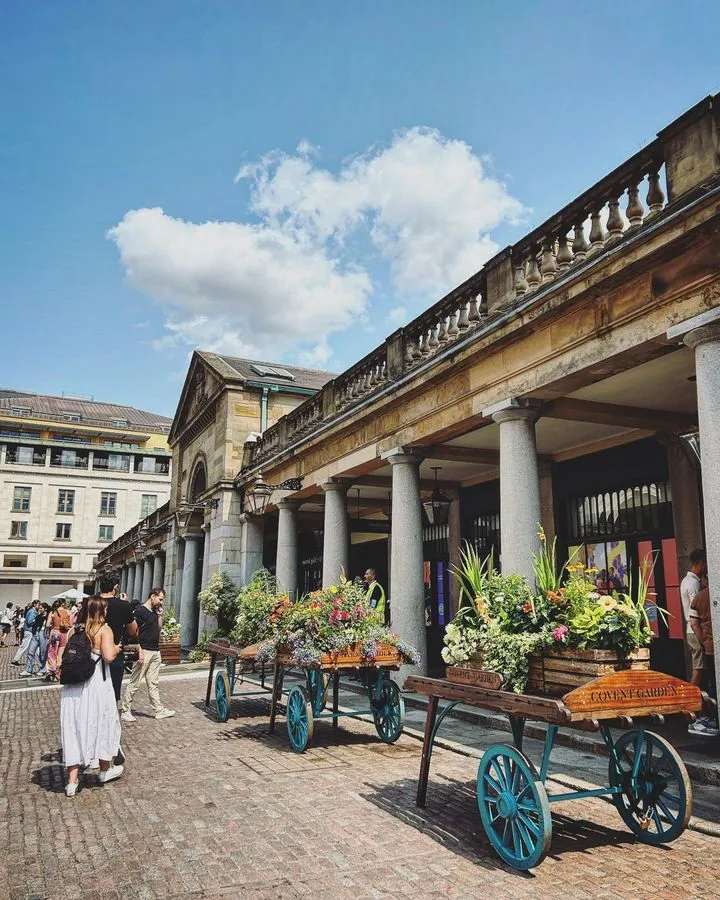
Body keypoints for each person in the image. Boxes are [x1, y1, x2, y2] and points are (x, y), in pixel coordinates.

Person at [60, 596, 123, 797]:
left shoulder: (73, 630)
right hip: (96, 684)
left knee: (74, 727)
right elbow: (108, 657)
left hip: (74, 686)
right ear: (99, 611)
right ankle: (104, 770)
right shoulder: (104, 629)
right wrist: (116, 649)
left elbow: (64, 655)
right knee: (103, 721)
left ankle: (71, 782)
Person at [79, 575, 138, 704]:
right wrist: (125, 605)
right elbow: (132, 631)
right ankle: (110, 719)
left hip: (88, 651)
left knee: (89, 691)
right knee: (112, 692)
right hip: (114, 652)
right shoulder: (123, 605)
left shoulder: (90, 602)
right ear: (115, 587)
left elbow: (79, 625)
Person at [121, 587, 175, 722]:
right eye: (160, 599)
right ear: (152, 596)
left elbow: (158, 628)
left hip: (155, 650)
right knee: (135, 682)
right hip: (143, 650)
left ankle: (159, 710)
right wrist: (138, 651)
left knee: (153, 682)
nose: (161, 602)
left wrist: (160, 614)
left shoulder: (154, 612)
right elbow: (131, 632)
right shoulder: (140, 612)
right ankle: (125, 710)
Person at [688, 585, 719, 737]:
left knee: (712, 681)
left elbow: (693, 622)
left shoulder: (700, 597)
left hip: (710, 646)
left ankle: (711, 716)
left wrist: (704, 641)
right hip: (710, 644)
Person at [681, 549, 707, 687]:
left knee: (698, 667)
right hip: (694, 630)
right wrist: (703, 639)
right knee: (698, 668)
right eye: (705, 563)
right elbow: (695, 614)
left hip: (690, 629)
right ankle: (690, 697)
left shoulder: (686, 581)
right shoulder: (693, 584)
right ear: (700, 563)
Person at [20, 603, 50, 678]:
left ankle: (42, 669)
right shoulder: (38, 616)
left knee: (42, 653)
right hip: (36, 634)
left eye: (41, 608)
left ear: (45, 609)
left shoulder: (48, 616)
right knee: (30, 651)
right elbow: (34, 625)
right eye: (39, 608)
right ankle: (28, 669)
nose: (39, 609)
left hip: (44, 634)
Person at [44, 600, 72, 681]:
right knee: (61, 653)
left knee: (52, 652)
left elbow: (47, 624)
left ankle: (50, 670)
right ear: (63, 604)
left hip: (55, 633)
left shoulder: (53, 612)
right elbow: (70, 624)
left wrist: (53, 623)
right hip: (64, 633)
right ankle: (58, 672)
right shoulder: (68, 612)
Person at [11, 600, 40, 666]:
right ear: (35, 605)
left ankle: (41, 660)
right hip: (29, 631)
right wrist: (37, 620)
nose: (39, 606)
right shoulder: (32, 612)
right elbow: (30, 621)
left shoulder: (32, 611)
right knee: (24, 645)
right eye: (38, 604)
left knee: (35, 646)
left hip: (30, 631)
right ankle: (15, 660)